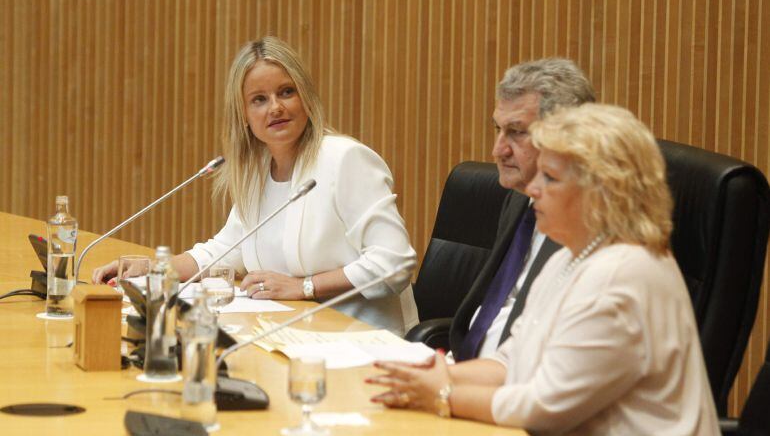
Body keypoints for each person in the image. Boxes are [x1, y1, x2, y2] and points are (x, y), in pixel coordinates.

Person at [368, 104, 720, 434]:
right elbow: (510, 361)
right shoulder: (571, 256)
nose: (533, 190)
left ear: (602, 191)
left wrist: (442, 394)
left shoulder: (624, 275)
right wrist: (433, 375)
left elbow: (545, 406)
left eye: (550, 178)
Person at [94, 37, 418, 335]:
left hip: (360, 343)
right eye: (259, 99)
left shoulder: (345, 160)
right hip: (291, 336)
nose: (275, 107)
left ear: (305, 96)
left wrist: (305, 287)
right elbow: (224, 251)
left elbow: (394, 263)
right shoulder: (258, 170)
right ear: (244, 115)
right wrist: (151, 269)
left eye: (286, 92)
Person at [450, 58, 595, 361]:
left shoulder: (588, 229)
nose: (498, 150)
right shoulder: (519, 200)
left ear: (568, 139)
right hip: (479, 368)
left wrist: (447, 386)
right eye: (498, 130)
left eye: (517, 132)